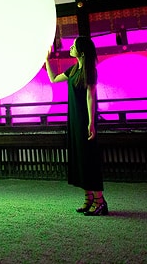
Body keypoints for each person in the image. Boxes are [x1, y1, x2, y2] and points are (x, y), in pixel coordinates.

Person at [45, 36, 108, 216]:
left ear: (80, 52)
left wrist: (91, 122)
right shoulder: (73, 70)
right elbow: (54, 79)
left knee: (89, 158)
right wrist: (46, 61)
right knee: (80, 158)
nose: (70, 48)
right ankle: (89, 198)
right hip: (73, 119)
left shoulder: (90, 71)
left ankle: (99, 201)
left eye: (73, 46)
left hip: (84, 120)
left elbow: (90, 97)